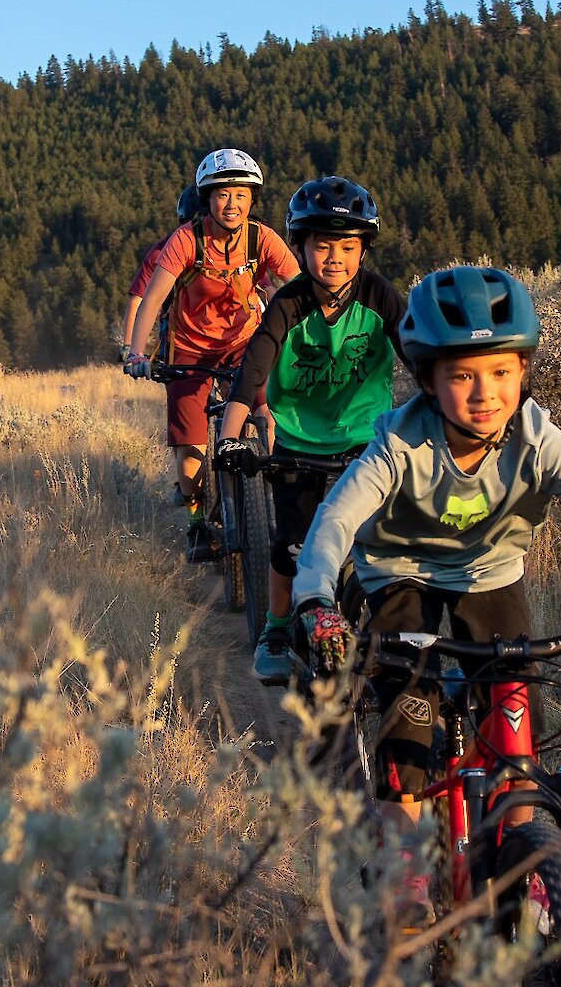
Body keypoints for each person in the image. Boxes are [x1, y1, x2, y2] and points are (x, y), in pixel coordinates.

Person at [291, 264, 561, 924]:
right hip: (401, 576)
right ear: (429, 381)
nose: (484, 392)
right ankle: (405, 875)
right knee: (409, 716)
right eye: (462, 375)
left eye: (500, 372)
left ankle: (530, 872)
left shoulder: (539, 441)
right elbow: (335, 524)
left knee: (516, 736)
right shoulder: (398, 443)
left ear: (524, 371)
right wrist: (317, 601)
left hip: (491, 580)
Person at [213, 176, 405, 684]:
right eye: (322, 245)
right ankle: (276, 629)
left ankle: (385, 632)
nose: (335, 257)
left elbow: (418, 356)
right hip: (297, 440)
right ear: (300, 247)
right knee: (293, 545)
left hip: (366, 437)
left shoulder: (380, 296)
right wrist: (229, 439)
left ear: (364, 249)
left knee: (377, 543)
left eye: (348, 245)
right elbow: (251, 372)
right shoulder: (288, 304)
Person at [125, 148, 299, 561]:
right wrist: (136, 352)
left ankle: (273, 505)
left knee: (269, 417)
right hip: (189, 350)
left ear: (252, 198)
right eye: (223, 195)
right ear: (207, 199)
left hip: (246, 346)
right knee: (190, 449)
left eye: (241, 194)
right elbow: (152, 298)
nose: (232, 204)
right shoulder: (187, 239)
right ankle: (198, 520)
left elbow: (296, 287)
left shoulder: (262, 238)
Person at [119, 183, 204, 362]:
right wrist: (130, 347)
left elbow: (137, 300)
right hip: (180, 332)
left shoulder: (162, 249)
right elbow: (138, 300)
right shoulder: (162, 251)